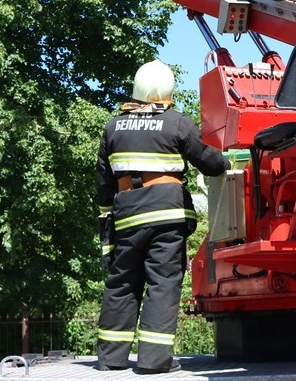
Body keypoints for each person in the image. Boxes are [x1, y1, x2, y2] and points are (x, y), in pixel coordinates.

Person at [95, 60, 230, 373]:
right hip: (166, 216)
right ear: (167, 91)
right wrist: (225, 164)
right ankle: (154, 362)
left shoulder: (113, 126)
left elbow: (103, 183)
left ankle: (110, 359)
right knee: (162, 283)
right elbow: (210, 162)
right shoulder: (177, 123)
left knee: (122, 283)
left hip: (127, 216)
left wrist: (107, 234)